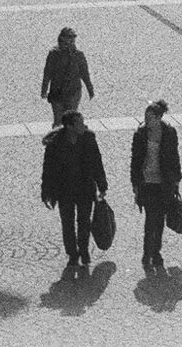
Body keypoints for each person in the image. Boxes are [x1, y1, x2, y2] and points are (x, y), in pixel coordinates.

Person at [41, 110, 108, 270]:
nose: (84, 125)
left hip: (85, 188)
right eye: (80, 122)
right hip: (64, 190)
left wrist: (102, 184)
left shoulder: (88, 138)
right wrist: (46, 192)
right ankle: (72, 254)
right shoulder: (55, 143)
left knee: (84, 222)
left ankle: (84, 251)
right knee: (67, 223)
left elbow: (97, 162)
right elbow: (48, 169)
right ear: (70, 126)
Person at [129, 100, 181, 273]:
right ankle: (147, 252)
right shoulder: (141, 134)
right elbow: (135, 160)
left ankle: (156, 252)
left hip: (163, 183)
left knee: (159, 220)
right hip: (147, 182)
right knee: (150, 218)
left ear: (159, 118)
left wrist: (176, 180)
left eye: (150, 117)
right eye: (146, 116)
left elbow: (174, 157)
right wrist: (135, 182)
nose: (147, 120)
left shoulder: (169, 133)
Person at [41, 27, 95, 126]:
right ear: (62, 38)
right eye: (69, 37)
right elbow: (47, 73)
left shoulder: (78, 54)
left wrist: (90, 89)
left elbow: (85, 73)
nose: (72, 39)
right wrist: (44, 90)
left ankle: (68, 139)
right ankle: (56, 139)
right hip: (57, 91)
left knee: (71, 120)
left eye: (74, 37)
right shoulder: (54, 54)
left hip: (73, 92)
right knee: (58, 121)